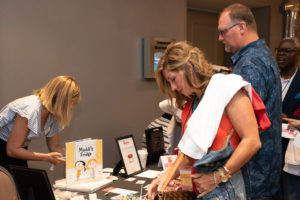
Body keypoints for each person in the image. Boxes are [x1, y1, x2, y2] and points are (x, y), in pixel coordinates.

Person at [148, 41, 270, 200]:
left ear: (189, 68)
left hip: (228, 188)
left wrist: (218, 177)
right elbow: (187, 157)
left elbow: (252, 141)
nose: (173, 88)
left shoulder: (227, 89)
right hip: (203, 190)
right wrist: (163, 178)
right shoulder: (190, 106)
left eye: (173, 79)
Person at [218, 3, 282, 199]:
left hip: (252, 176)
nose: (220, 38)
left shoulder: (250, 65)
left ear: (242, 28)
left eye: (223, 32)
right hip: (265, 171)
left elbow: (243, 128)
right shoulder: (262, 55)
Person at [0, 75, 81, 171]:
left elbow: (54, 146)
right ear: (61, 100)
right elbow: (12, 150)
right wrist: (46, 157)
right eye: (71, 103)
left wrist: (76, 157)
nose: (71, 107)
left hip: (20, 150)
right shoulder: (29, 111)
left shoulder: (52, 113)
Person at [276, 37, 300, 200]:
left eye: (287, 51)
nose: (281, 54)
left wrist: (288, 118)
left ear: (297, 55)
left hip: (293, 154)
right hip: (270, 151)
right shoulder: (271, 79)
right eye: (279, 50)